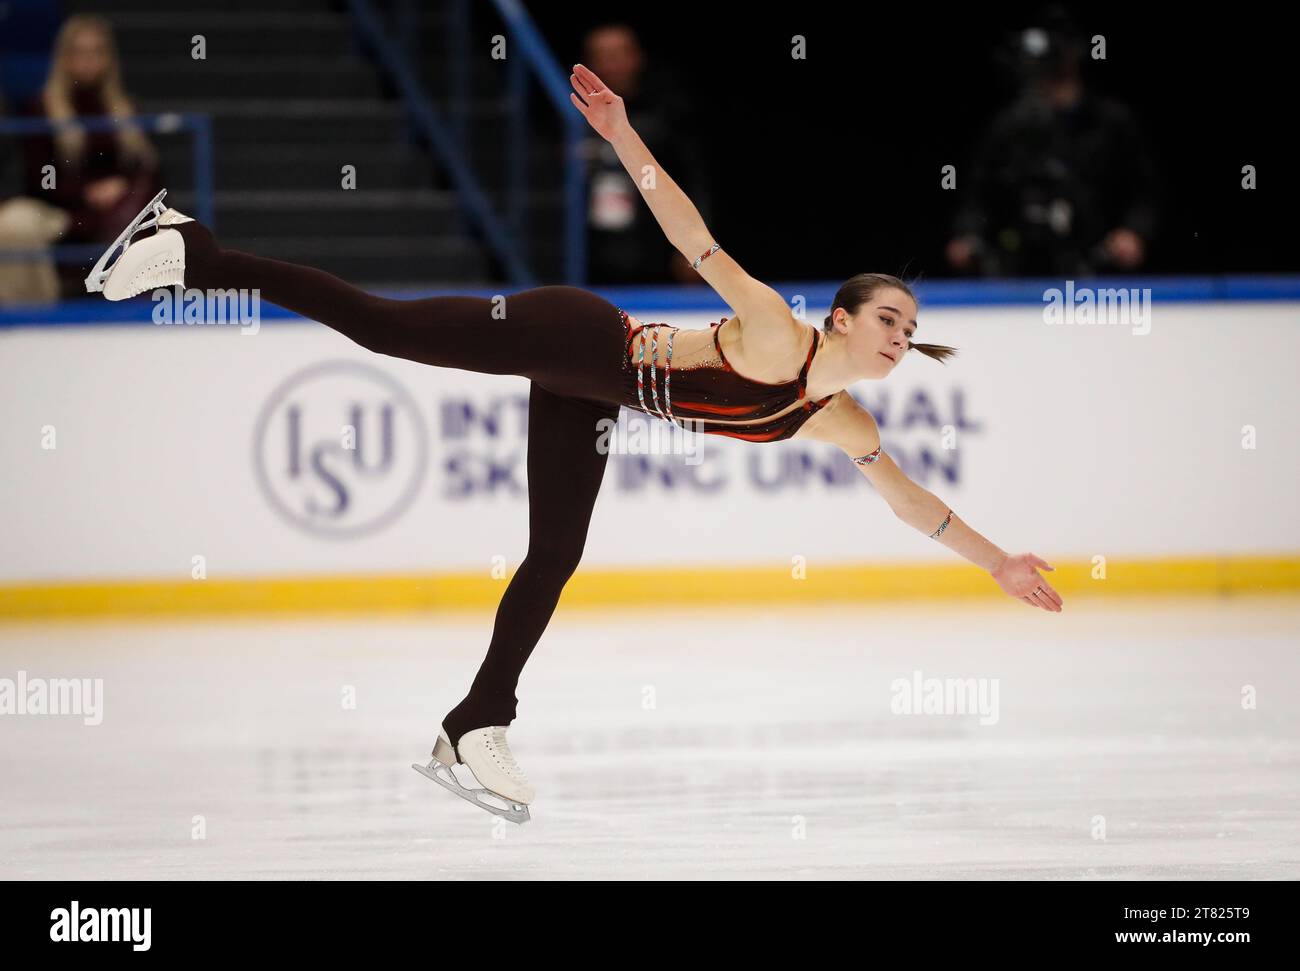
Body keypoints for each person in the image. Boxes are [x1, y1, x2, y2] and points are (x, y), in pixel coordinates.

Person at [85, 64, 1062, 824]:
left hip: (589, 397)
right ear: (843, 320)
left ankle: (475, 723)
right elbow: (692, 231)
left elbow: (909, 501)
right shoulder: (773, 329)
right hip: (577, 336)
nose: (901, 334)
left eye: (909, 324)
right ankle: (197, 250)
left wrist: (997, 561)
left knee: (556, 552)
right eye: (888, 317)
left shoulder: (843, 418)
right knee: (384, 326)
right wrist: (624, 134)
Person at [945, 6, 1161, 277]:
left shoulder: (1110, 122)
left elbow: (1143, 191)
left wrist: (1133, 232)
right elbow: (978, 193)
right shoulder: (1010, 125)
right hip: (1017, 268)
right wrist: (968, 234)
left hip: (1096, 265)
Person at [22, 13, 161, 296]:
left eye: (97, 51)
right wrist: (86, 193)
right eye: (80, 52)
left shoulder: (126, 108)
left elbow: (148, 170)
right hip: (62, 211)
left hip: (119, 211)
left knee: (148, 222)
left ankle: (138, 310)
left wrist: (121, 187)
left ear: (109, 58)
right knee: (21, 228)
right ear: (64, 56)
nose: (88, 60)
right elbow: (38, 178)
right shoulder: (42, 109)